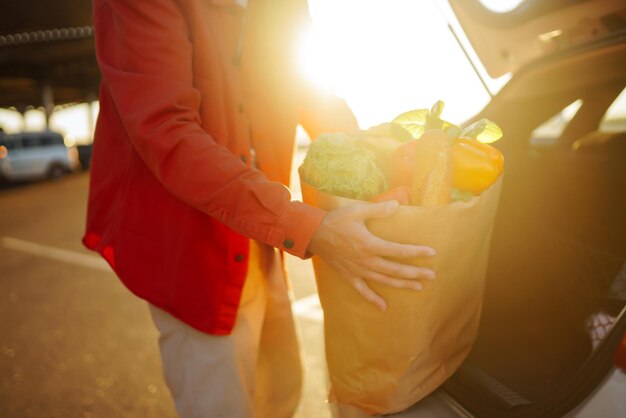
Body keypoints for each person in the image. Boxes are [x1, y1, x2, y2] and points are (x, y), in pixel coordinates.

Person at [83, 0, 436, 417]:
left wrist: (380, 160)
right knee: (221, 403)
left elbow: (306, 88)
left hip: (260, 224)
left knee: (280, 390)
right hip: (187, 244)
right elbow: (168, 133)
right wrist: (311, 228)